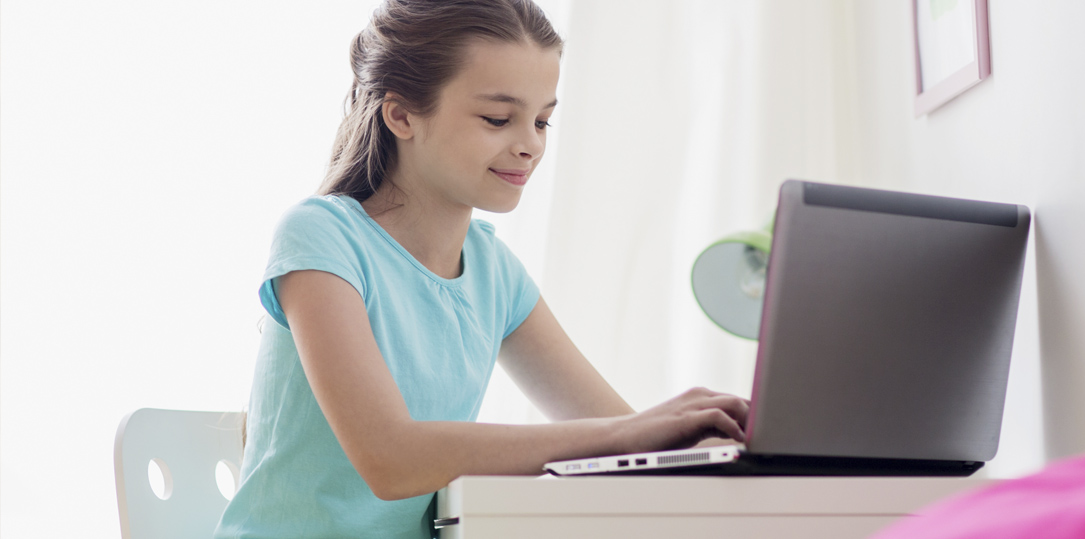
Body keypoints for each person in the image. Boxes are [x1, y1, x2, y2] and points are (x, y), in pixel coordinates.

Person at [214, 1, 749, 537]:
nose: (531, 145)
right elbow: (391, 460)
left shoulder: (495, 272)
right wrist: (629, 433)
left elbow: (614, 430)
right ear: (401, 115)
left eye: (542, 120)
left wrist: (705, 445)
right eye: (498, 119)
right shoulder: (322, 237)